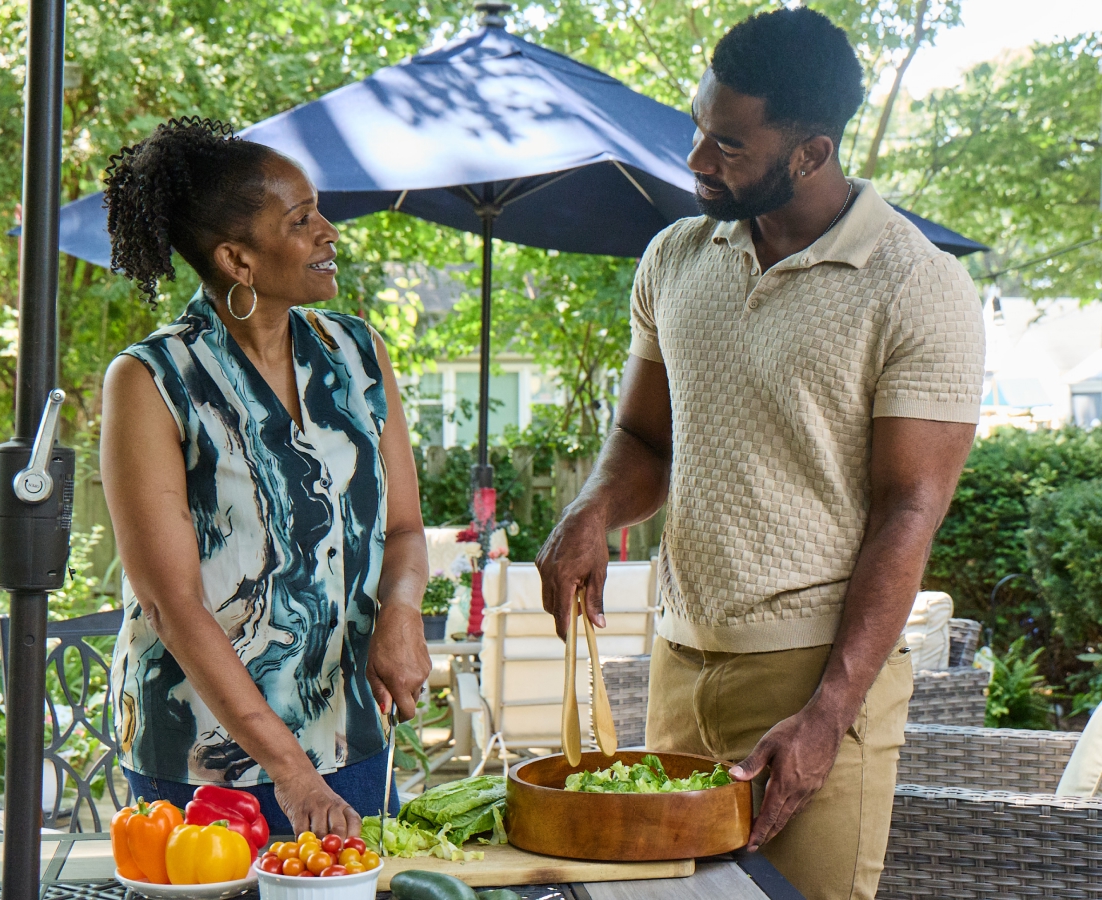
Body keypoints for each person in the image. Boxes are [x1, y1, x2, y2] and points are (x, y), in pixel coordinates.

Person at [536, 9, 984, 900]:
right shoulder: (675, 257)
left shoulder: (917, 285)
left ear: (812, 153)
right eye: (698, 127)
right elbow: (645, 440)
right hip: (679, 660)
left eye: (729, 145)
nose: (697, 158)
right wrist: (591, 509)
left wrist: (829, 715)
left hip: (814, 679)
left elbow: (909, 510)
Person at [99, 117, 431, 838]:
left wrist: (401, 612)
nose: (329, 233)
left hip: (350, 736)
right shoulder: (151, 380)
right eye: (302, 220)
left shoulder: (358, 353)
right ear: (237, 261)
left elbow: (404, 529)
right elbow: (170, 603)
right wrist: (292, 771)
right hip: (200, 759)